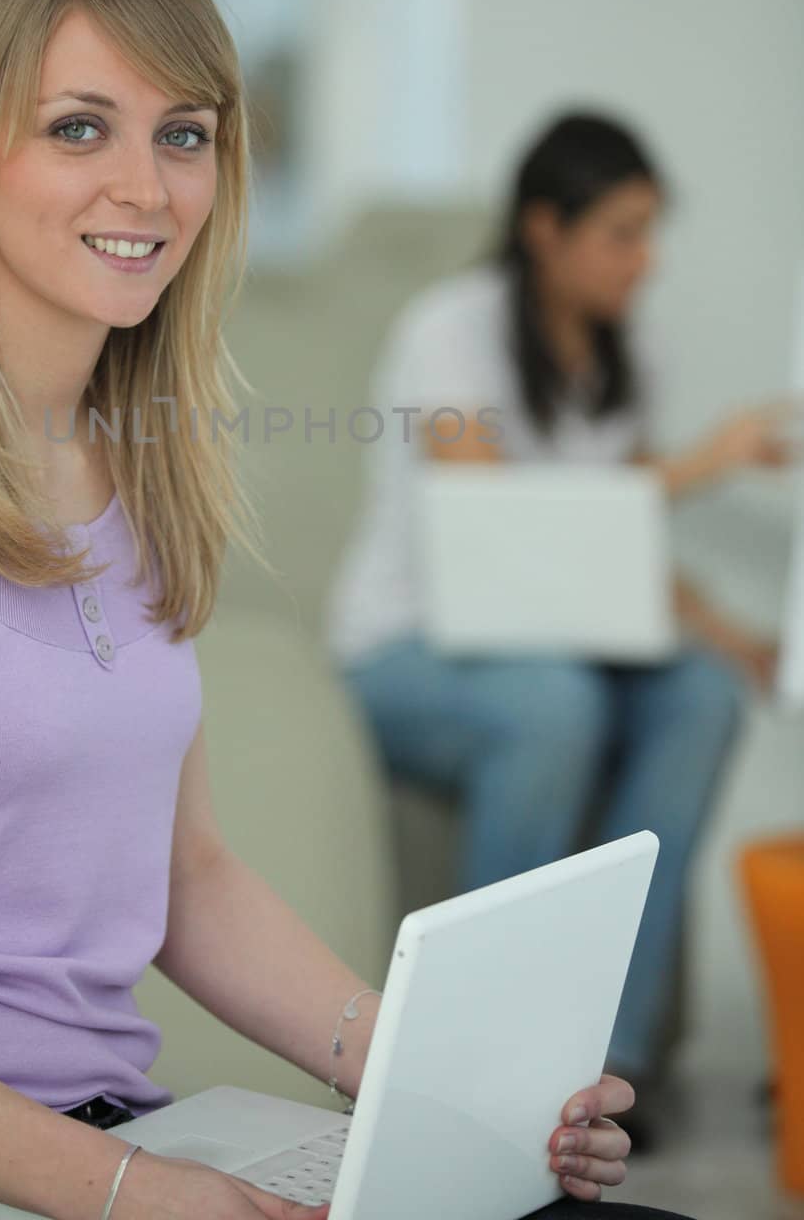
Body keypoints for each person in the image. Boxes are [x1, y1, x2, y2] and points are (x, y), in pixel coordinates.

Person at [0, 0, 697, 1220]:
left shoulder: (129, 460)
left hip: (99, 1143)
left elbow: (187, 881)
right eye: (80, 127)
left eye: (182, 134)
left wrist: (431, 1090)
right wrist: (131, 1190)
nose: (145, 186)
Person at [324, 110, 797, 1157]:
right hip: (409, 652)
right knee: (553, 701)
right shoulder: (447, 329)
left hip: (556, 651)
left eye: (649, 232)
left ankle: (604, 1074)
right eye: (622, 233)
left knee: (698, 694)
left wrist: (731, 638)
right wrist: (702, 462)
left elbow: (612, 560)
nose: (645, 259)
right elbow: (501, 529)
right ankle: (474, 1067)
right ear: (544, 227)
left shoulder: (632, 354)